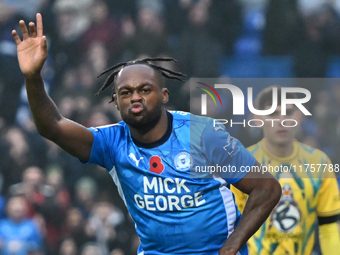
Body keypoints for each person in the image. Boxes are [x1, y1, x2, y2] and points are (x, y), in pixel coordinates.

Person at [12, 14, 281, 255]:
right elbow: (52, 125)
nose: (135, 98)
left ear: (164, 95)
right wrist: (33, 76)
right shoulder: (111, 143)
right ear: (116, 103)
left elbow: (266, 188)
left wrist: (232, 246)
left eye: (145, 89)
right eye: (125, 93)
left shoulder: (203, 133)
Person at [231, 86, 340, 255]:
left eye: (288, 113)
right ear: (258, 119)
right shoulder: (242, 164)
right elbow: (230, 229)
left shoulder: (320, 162)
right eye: (273, 114)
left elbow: (329, 227)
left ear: (298, 118)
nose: (281, 120)